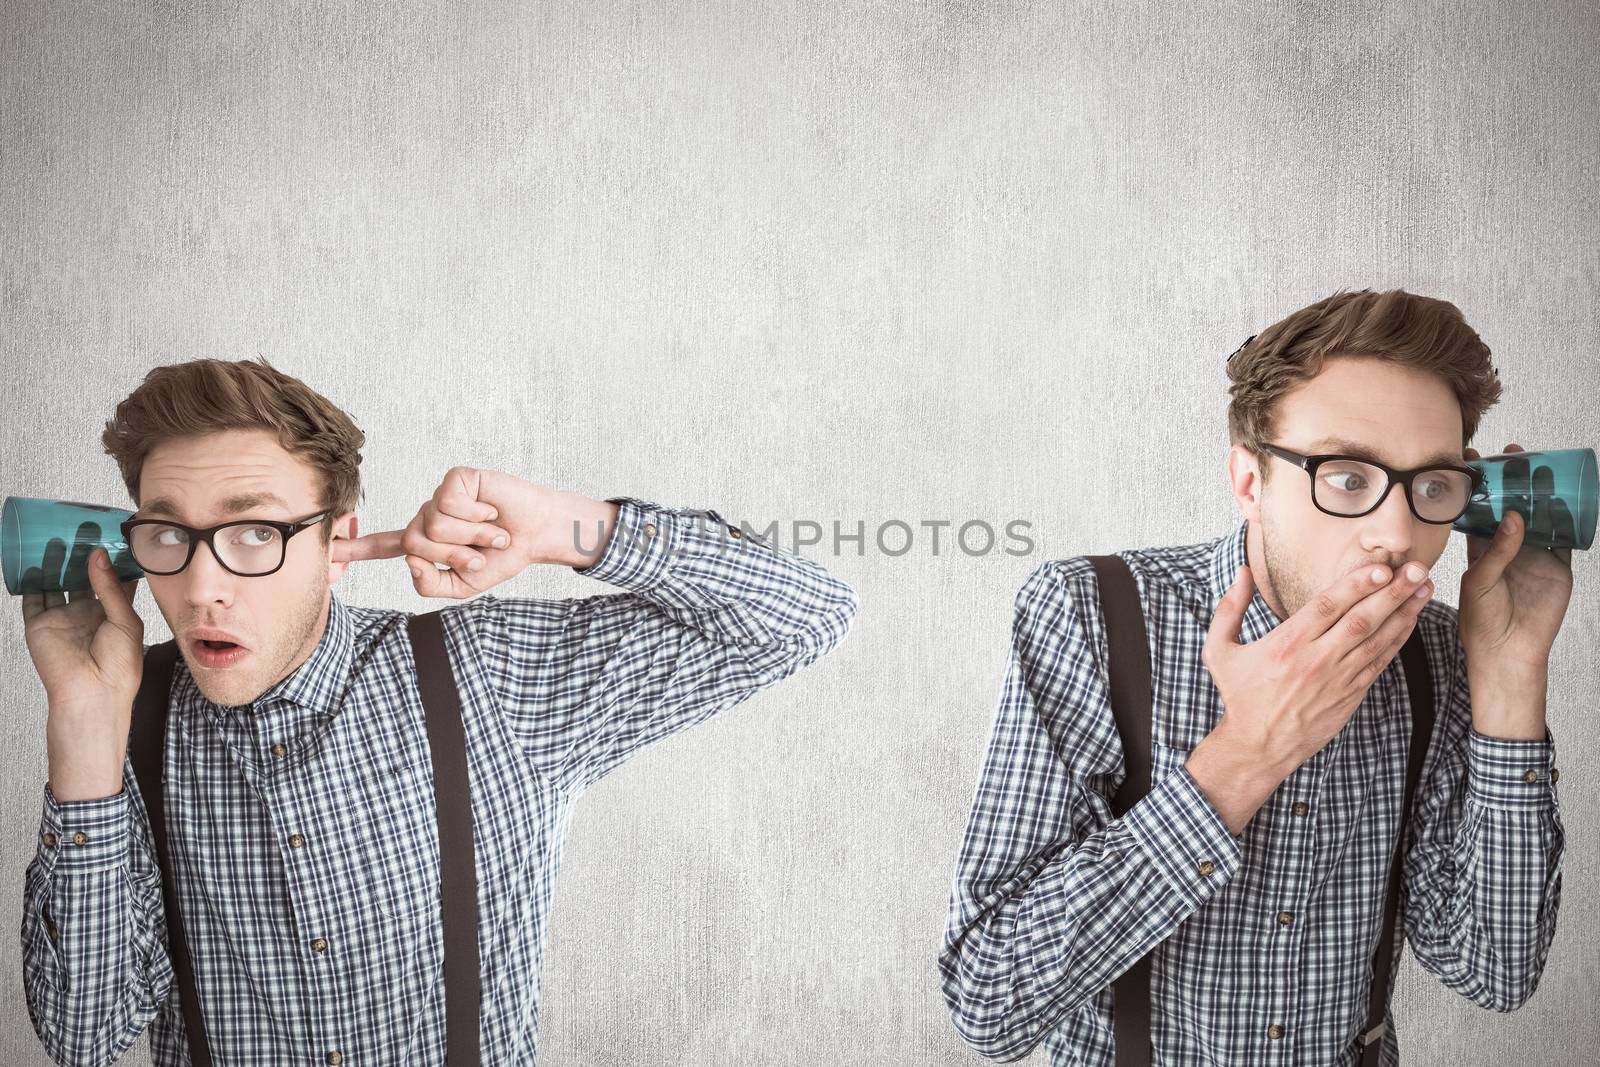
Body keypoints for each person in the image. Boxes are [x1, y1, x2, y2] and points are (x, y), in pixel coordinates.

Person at [19, 356, 858, 1067]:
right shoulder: (127, 718)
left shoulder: (486, 678)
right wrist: (86, 727)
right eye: (168, 535)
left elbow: (805, 615)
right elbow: (83, 1036)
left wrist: (568, 528)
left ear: (337, 541)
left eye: (254, 534)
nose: (202, 587)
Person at [940, 288, 1571, 1064]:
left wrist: (1510, 675)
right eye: (1347, 476)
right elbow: (989, 998)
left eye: (1432, 486)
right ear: (1248, 480)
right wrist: (1247, 753)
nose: (1399, 533)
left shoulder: (1443, 653)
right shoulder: (1089, 615)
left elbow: (1493, 969)